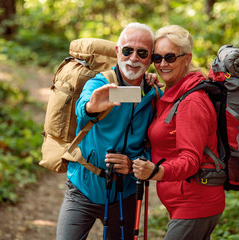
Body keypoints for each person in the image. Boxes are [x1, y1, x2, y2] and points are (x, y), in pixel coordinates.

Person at [56, 22, 161, 240]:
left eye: (142, 53)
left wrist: (134, 164)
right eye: (127, 50)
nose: (133, 58)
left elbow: (158, 146)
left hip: (127, 193)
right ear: (117, 52)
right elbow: (84, 106)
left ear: (150, 58)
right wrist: (90, 107)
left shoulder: (153, 95)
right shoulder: (101, 83)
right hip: (82, 188)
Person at [133, 25, 225, 240]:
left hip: (195, 203)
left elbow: (190, 160)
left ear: (187, 58)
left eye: (170, 57)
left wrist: (155, 172)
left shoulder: (192, 101)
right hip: (186, 203)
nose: (162, 64)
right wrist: (153, 88)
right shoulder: (174, 93)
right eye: (157, 57)